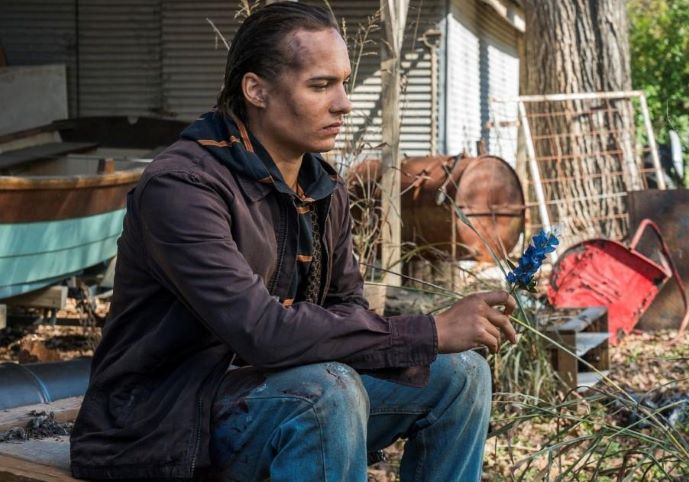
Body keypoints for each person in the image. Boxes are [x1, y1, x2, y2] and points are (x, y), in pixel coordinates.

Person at [69, 2, 516, 481]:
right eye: (320, 86)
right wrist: (429, 330)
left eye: (343, 83)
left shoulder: (322, 186)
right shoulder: (182, 187)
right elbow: (261, 332)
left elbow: (346, 309)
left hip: (268, 393)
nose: (344, 103)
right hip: (160, 419)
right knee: (324, 392)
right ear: (256, 90)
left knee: (461, 374)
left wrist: (426, 341)